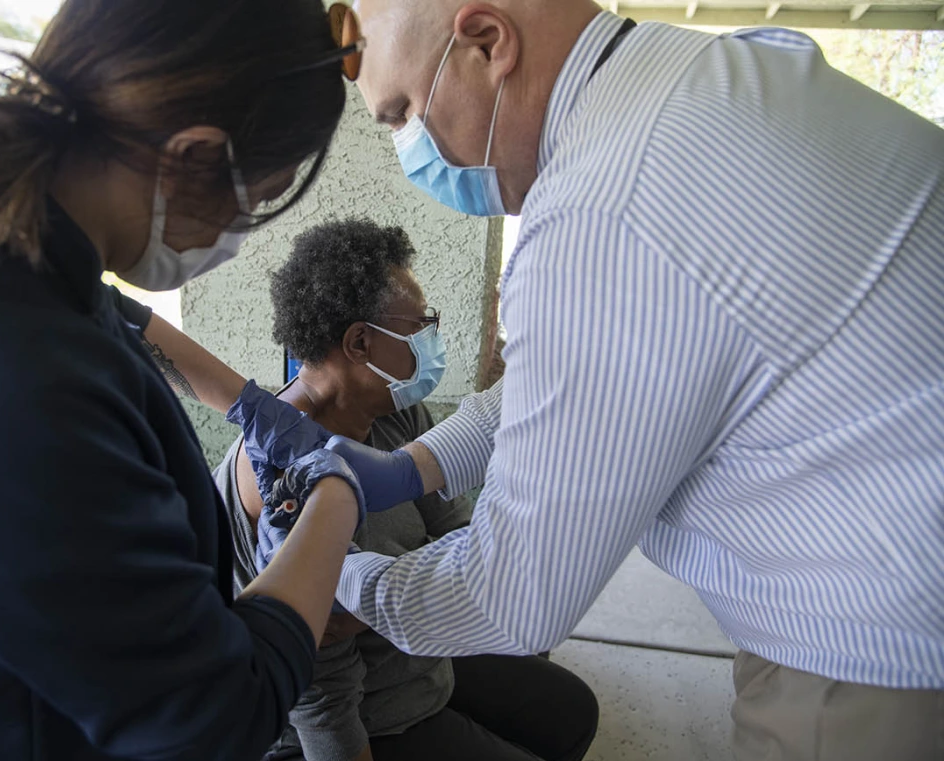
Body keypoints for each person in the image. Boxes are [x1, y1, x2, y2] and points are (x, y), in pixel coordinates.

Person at [251, 1, 944, 759]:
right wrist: (409, 468)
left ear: (487, 43)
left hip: (878, 644)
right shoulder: (718, 76)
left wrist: (343, 579)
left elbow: (514, 595)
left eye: (405, 115)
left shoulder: (599, 210)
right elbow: (564, 384)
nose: (413, 150)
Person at [0, 2, 376, 760]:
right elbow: (219, 711)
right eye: (260, 195)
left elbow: (116, 316)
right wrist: (336, 495)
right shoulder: (4, 395)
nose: (240, 232)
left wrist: (248, 402)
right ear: (192, 154)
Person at [204, 219, 595, 761]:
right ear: (360, 341)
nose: (432, 339)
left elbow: (460, 530)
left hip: (417, 653)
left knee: (571, 712)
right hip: (361, 715)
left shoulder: (394, 410)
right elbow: (320, 686)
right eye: (421, 324)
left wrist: (372, 600)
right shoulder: (279, 472)